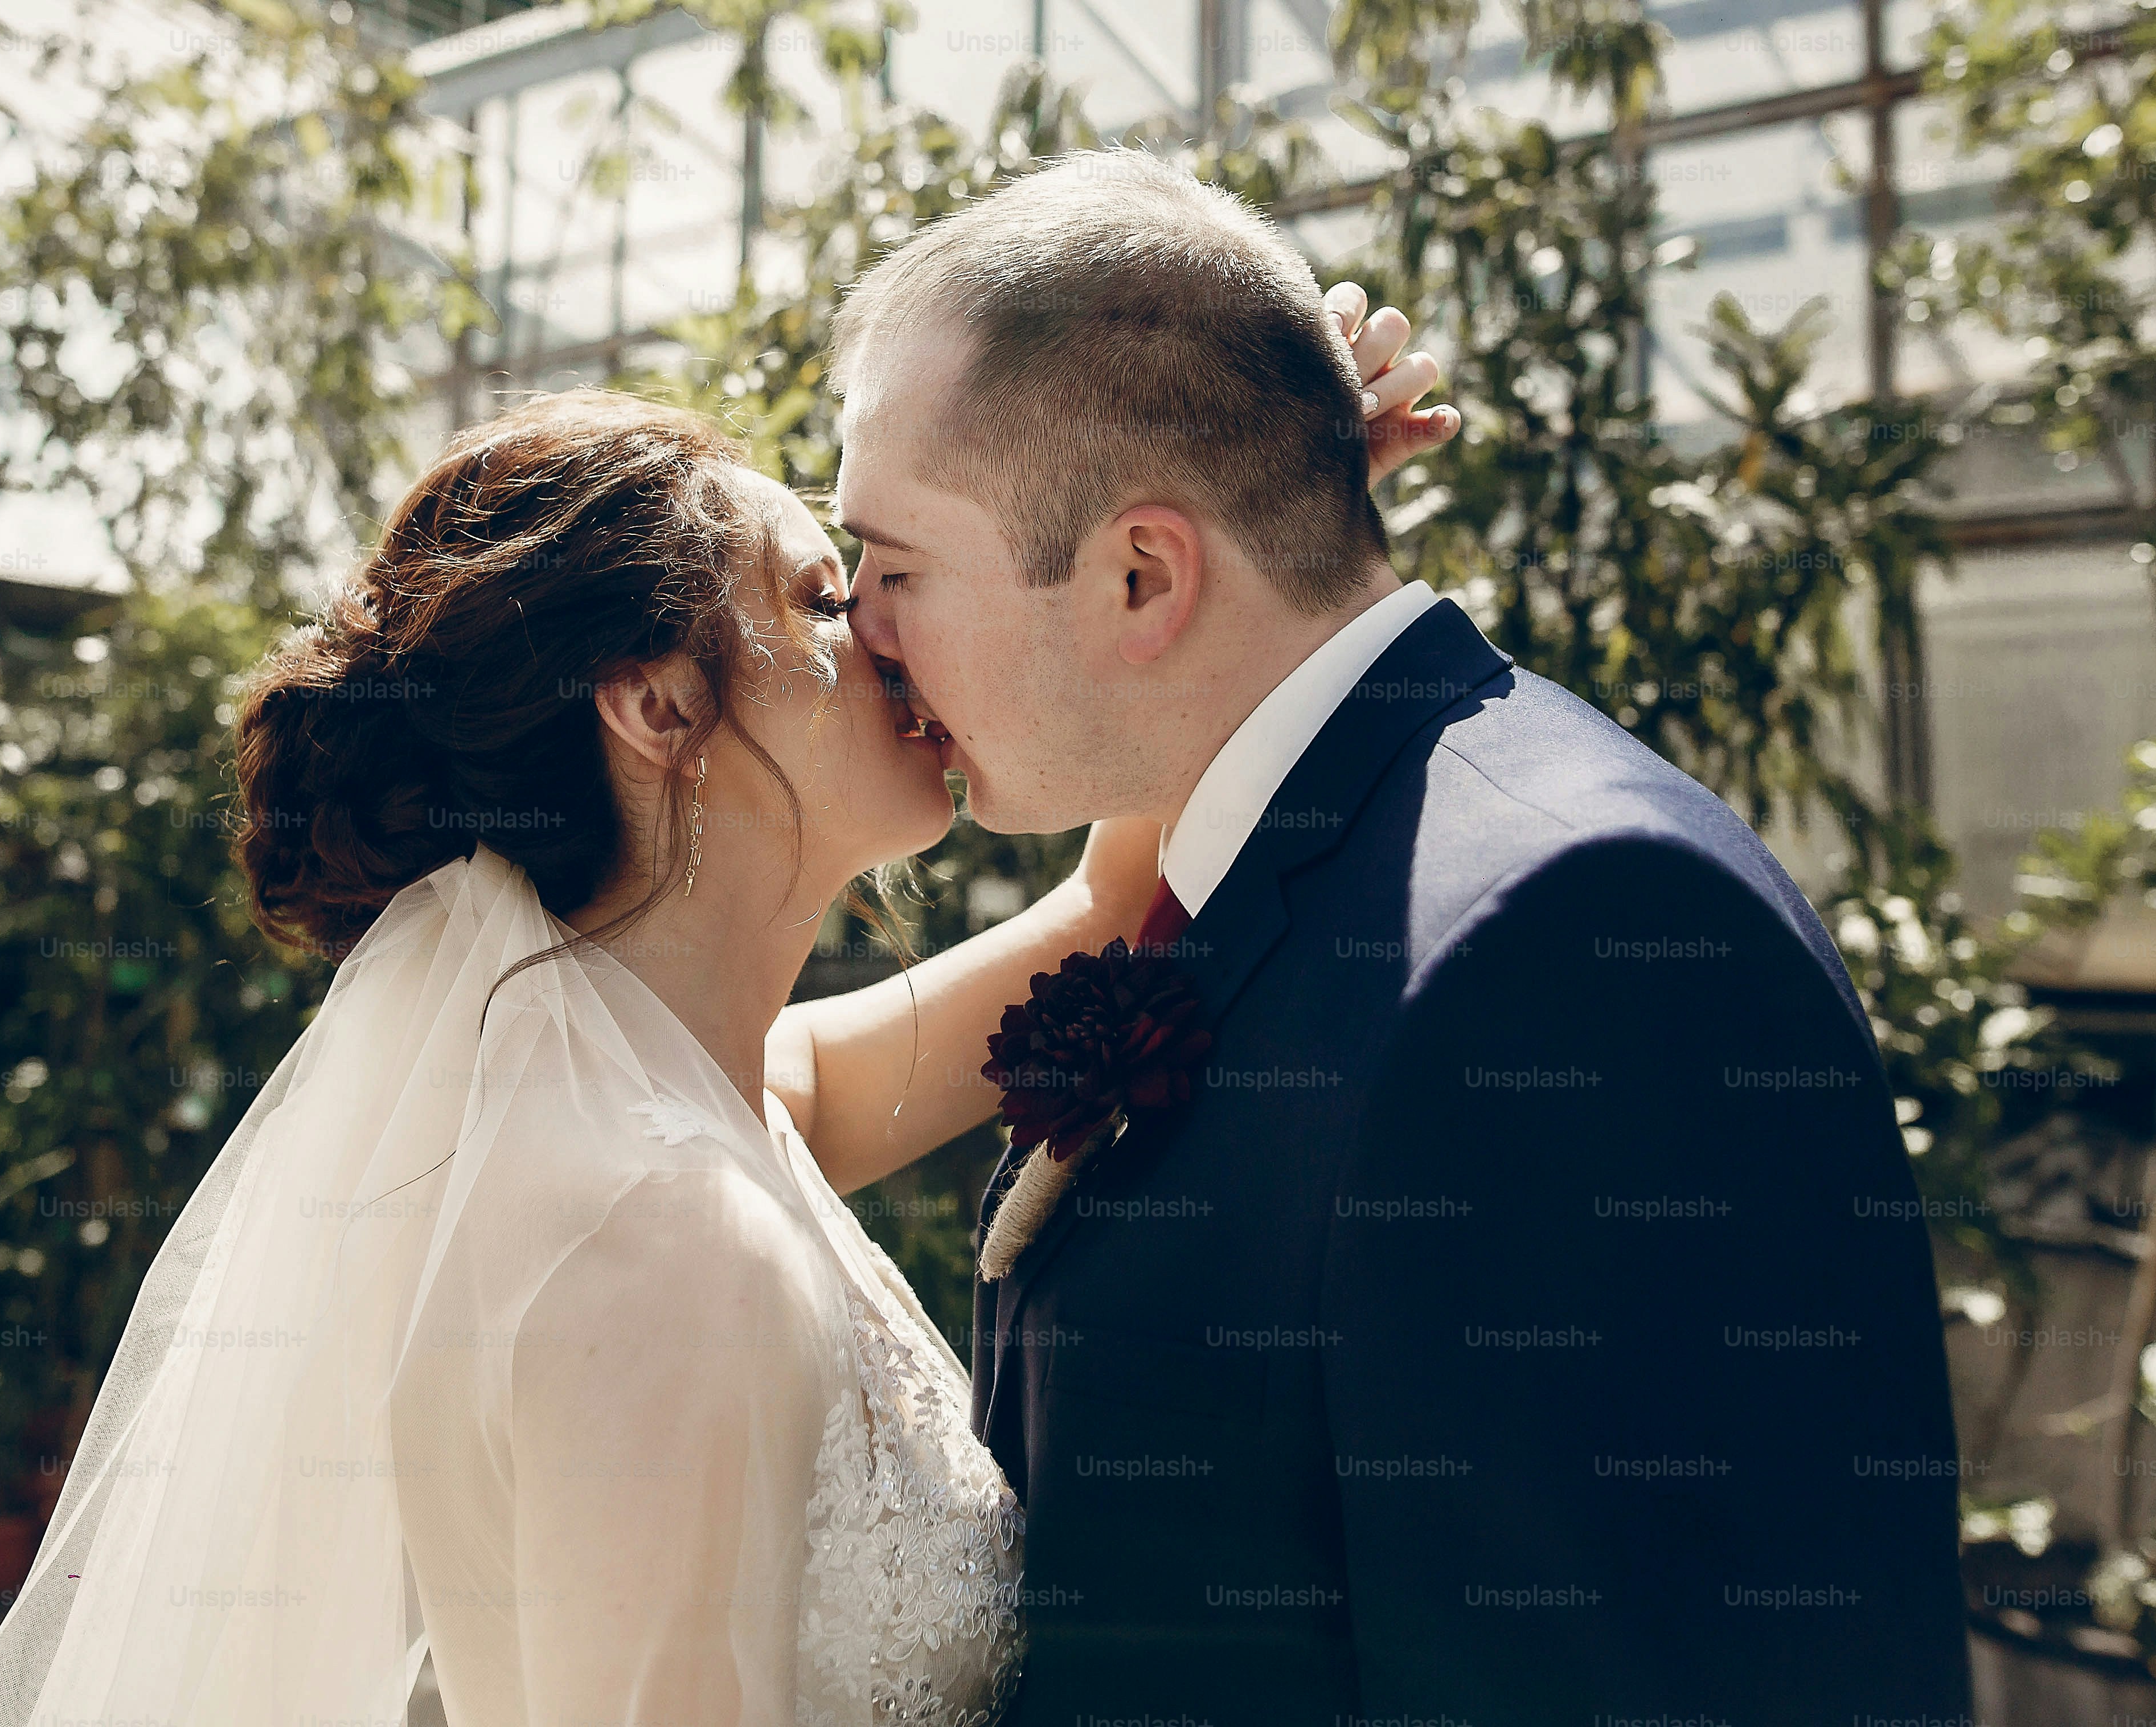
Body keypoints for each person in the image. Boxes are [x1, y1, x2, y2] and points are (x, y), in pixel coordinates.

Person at [0, 343, 1451, 1726]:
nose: (885, 623)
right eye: (814, 595)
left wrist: (1252, 529)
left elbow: (1105, 902)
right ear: (657, 704)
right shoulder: (656, 1234)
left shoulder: (702, 1090)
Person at [830, 148, 1973, 1725]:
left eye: (890, 570)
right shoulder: (1266, 861)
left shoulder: (1570, 944)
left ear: (1142, 570)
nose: (862, 642)